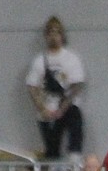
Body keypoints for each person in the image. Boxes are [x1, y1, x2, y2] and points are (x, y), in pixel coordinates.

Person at [25, 16, 85, 159]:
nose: (54, 36)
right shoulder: (39, 61)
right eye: (50, 33)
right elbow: (32, 86)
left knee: (75, 121)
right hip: (47, 108)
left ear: (62, 35)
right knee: (52, 148)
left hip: (66, 106)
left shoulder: (71, 58)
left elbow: (77, 85)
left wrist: (62, 108)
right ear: (46, 35)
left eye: (57, 32)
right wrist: (42, 108)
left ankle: (74, 159)